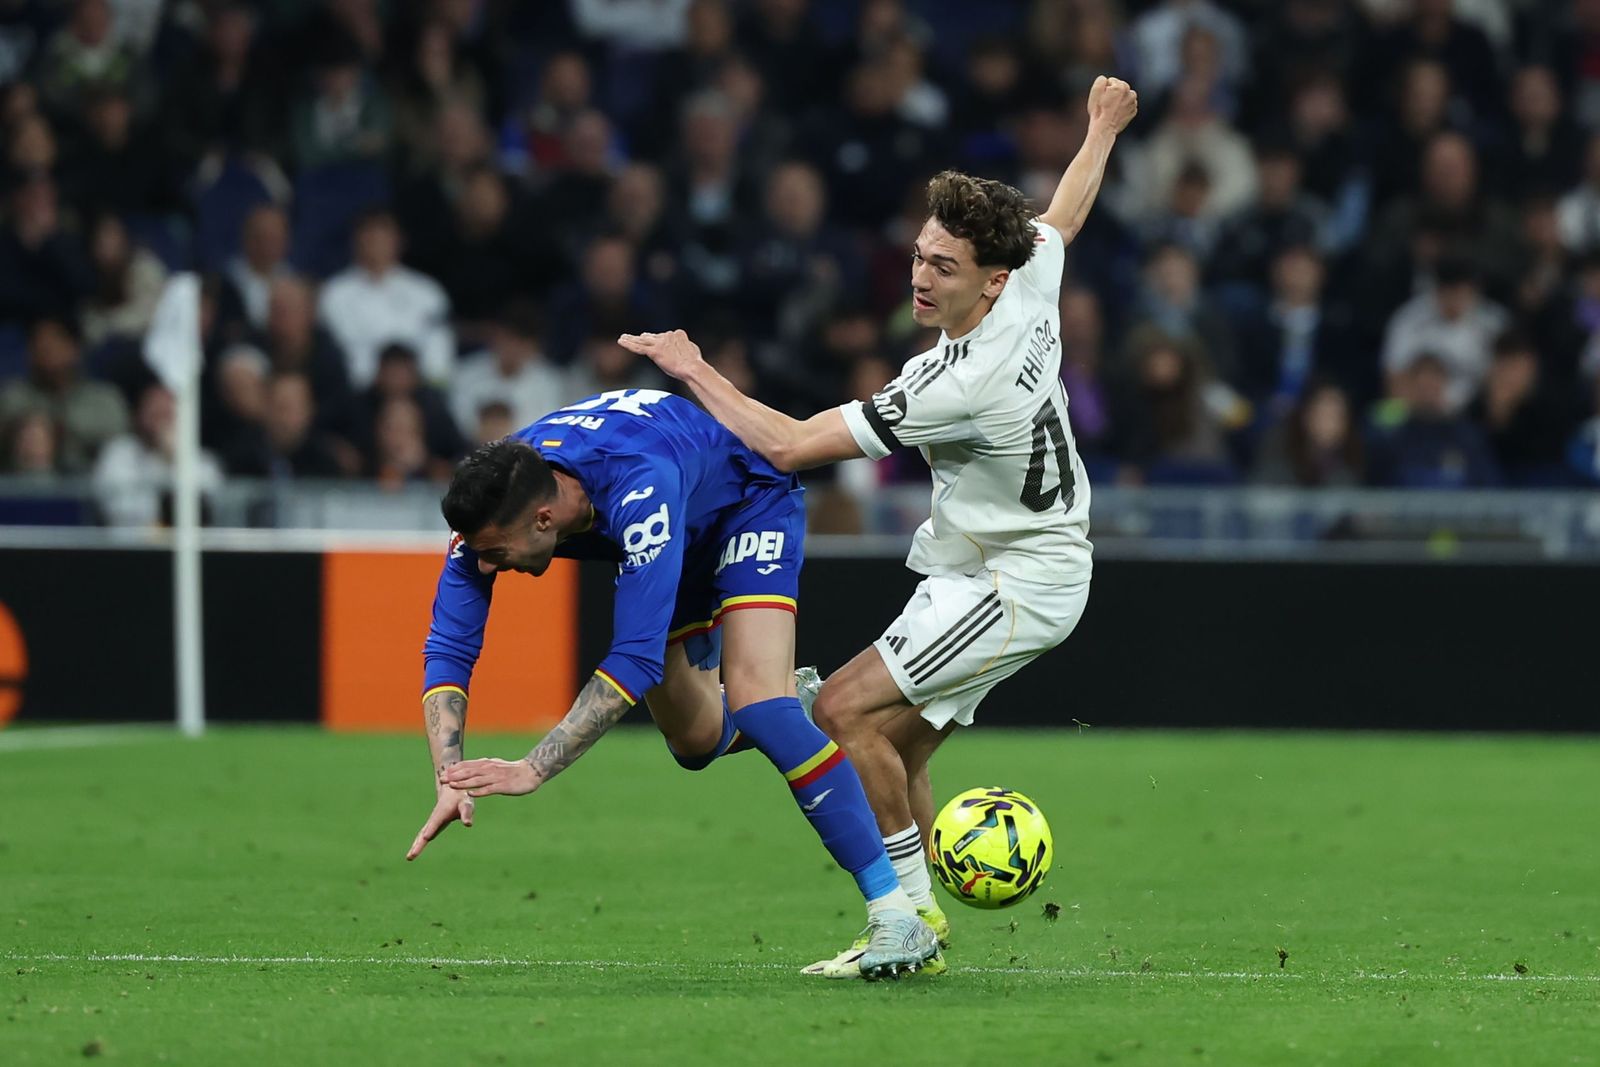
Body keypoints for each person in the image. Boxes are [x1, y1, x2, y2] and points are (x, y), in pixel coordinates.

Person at [621, 75, 1139, 978]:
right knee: (885, 742)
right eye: (918, 256)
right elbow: (1065, 212)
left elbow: (784, 446)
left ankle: (907, 921)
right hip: (989, 564)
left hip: (1018, 579)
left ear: (989, 279)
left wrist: (690, 366)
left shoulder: (957, 384)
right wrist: (1100, 129)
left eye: (943, 267)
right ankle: (915, 915)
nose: (920, 277)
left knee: (837, 708)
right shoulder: (1029, 282)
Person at [407, 389, 941, 980]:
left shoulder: (637, 487)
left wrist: (535, 767)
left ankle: (896, 913)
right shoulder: (497, 501)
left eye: (493, 554)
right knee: (693, 741)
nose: (484, 566)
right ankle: (798, 706)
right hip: (671, 526)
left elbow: (633, 660)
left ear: (543, 519)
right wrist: (448, 776)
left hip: (745, 497)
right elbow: (450, 646)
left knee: (761, 707)